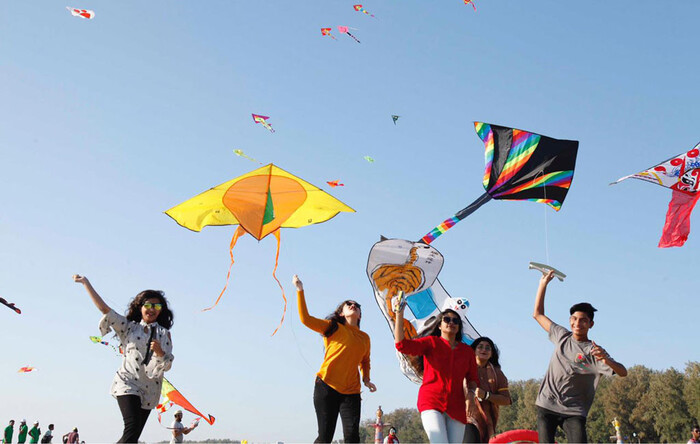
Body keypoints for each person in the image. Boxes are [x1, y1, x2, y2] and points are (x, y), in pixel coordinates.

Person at [74, 274, 174, 443]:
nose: (152, 309)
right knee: (132, 426)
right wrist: (86, 283)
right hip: (127, 382)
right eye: (148, 305)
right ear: (141, 307)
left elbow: (168, 364)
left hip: (150, 388)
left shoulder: (164, 334)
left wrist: (159, 352)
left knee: (132, 437)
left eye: (156, 306)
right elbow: (105, 310)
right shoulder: (128, 328)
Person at [533, 270, 627, 443]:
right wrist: (543, 285)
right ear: (570, 321)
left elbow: (623, 372)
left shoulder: (595, 351)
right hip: (547, 404)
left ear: (591, 324)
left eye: (583, 320)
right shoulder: (561, 335)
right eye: (574, 319)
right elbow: (537, 314)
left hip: (574, 410)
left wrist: (606, 360)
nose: (578, 323)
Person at [293, 274, 376, 444]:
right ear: (341, 312)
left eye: (357, 306)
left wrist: (366, 379)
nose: (353, 306)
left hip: (351, 392)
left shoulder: (365, 338)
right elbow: (305, 319)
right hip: (326, 386)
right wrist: (300, 290)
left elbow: (365, 360)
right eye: (349, 304)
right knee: (325, 438)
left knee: (353, 438)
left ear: (359, 315)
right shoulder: (333, 327)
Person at [394, 299, 479, 443]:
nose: (451, 322)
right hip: (431, 402)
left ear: (459, 327)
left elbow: (473, 379)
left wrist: (470, 396)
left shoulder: (467, 351)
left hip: (457, 407)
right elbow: (401, 345)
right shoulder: (431, 343)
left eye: (455, 320)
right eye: (447, 319)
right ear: (440, 325)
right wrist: (399, 314)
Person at [463, 337, 511, 443]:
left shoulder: (497, 374)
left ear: (492, 353)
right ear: (473, 351)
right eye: (480, 347)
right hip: (466, 418)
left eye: (488, 348)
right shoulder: (463, 369)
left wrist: (486, 395)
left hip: (488, 423)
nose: (484, 350)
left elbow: (507, 400)